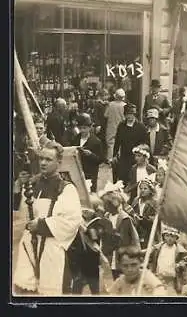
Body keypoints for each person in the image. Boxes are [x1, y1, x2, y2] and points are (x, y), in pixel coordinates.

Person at [13, 140, 82, 295]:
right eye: (41, 159)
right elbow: (22, 215)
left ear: (59, 162)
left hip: (51, 247)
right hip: (29, 245)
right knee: (25, 289)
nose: (43, 163)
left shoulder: (65, 188)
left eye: (48, 159)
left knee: (49, 291)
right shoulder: (33, 184)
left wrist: (42, 225)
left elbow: (71, 221)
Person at [99, 183, 141, 280]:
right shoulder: (106, 217)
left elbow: (133, 238)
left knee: (123, 277)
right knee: (113, 277)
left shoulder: (125, 219)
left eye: (107, 204)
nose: (105, 207)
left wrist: (135, 253)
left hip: (122, 254)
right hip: (110, 254)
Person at [112, 103, 148, 185]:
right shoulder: (121, 126)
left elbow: (145, 143)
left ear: (135, 114)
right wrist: (114, 155)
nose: (130, 116)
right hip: (124, 156)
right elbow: (117, 142)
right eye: (128, 114)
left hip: (136, 157)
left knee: (134, 179)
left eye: (132, 114)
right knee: (123, 178)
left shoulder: (141, 127)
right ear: (125, 115)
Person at [149, 226, 187, 295]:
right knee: (159, 293)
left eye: (172, 236)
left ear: (176, 238)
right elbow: (149, 254)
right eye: (167, 236)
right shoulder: (158, 248)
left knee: (171, 293)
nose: (169, 239)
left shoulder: (180, 250)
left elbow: (185, 260)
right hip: (159, 275)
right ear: (164, 236)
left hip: (172, 278)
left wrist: (180, 264)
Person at [71, 114, 104, 193]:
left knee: (90, 193)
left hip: (90, 172)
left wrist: (91, 155)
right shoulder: (75, 139)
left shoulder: (96, 141)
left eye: (85, 128)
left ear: (89, 128)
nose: (82, 131)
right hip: (78, 170)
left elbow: (101, 159)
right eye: (80, 128)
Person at [126, 178, 158, 249]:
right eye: (141, 188)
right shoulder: (136, 200)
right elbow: (132, 212)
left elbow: (155, 219)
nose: (142, 190)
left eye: (145, 188)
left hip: (148, 232)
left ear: (150, 190)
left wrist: (143, 219)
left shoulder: (154, 203)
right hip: (137, 230)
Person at [104, 88, 127, 163]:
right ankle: (119, 158)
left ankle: (110, 159)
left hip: (111, 126)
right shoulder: (125, 105)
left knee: (110, 143)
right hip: (122, 126)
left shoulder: (110, 104)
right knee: (121, 143)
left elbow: (106, 115)